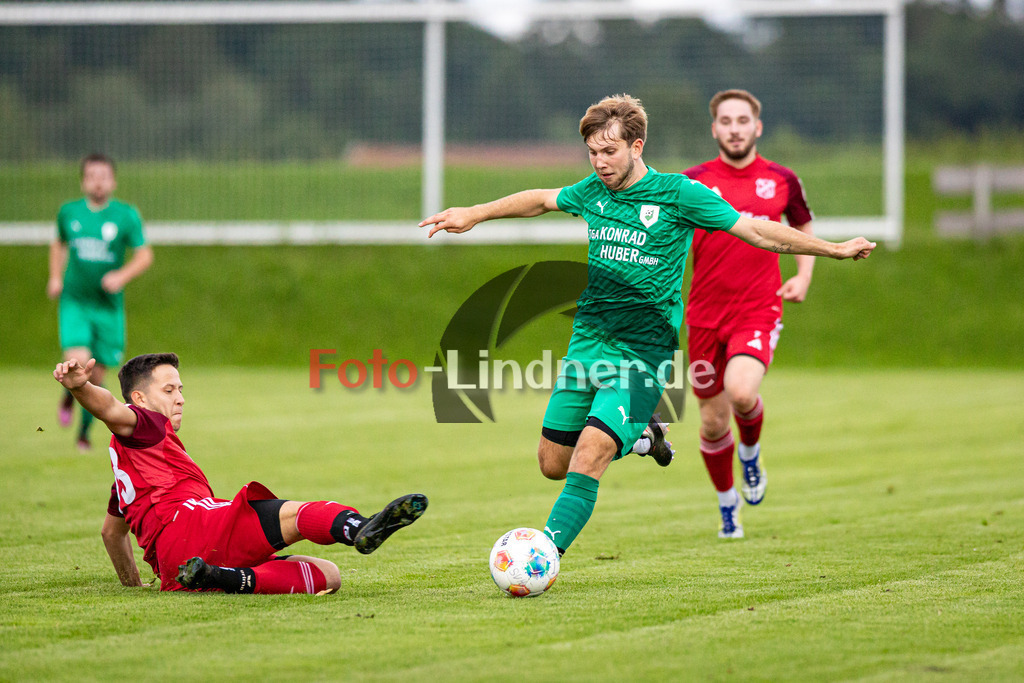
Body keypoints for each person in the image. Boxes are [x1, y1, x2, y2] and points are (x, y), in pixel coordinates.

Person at [420, 94, 874, 559]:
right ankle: (641, 438)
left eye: (609, 152)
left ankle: (542, 555)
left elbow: (756, 230)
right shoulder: (593, 193)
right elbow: (539, 200)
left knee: (589, 455)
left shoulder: (680, 194)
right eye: (593, 153)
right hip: (588, 344)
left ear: (637, 147)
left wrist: (832, 249)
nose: (599, 163)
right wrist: (474, 214)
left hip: (643, 352)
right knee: (552, 464)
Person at [53, 352, 428, 594]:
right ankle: (359, 529)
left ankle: (217, 577)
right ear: (140, 400)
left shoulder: (131, 471)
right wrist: (83, 388)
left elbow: (110, 532)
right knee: (294, 515)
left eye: (181, 388)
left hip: (176, 565)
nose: (180, 397)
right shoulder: (145, 423)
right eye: (169, 389)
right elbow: (110, 410)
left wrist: (133, 584)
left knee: (327, 575)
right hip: (194, 524)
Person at [682, 89, 817, 539]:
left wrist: (803, 275)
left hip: (757, 308)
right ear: (715, 129)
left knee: (741, 393)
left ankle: (752, 453)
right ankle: (727, 504)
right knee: (712, 420)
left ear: (757, 127)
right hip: (702, 314)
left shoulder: (781, 178)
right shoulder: (693, 181)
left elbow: (801, 225)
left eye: (743, 120)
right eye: (726, 121)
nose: (735, 128)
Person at [48, 153, 154, 452]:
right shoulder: (69, 213)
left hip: (108, 307)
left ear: (113, 181)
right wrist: (55, 277)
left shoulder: (125, 215)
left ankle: (82, 429)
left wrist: (121, 275)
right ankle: (76, 417)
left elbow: (145, 255)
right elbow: (58, 243)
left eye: (104, 176)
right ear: (83, 181)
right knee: (79, 362)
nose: (98, 182)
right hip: (75, 302)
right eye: (92, 176)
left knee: (96, 376)